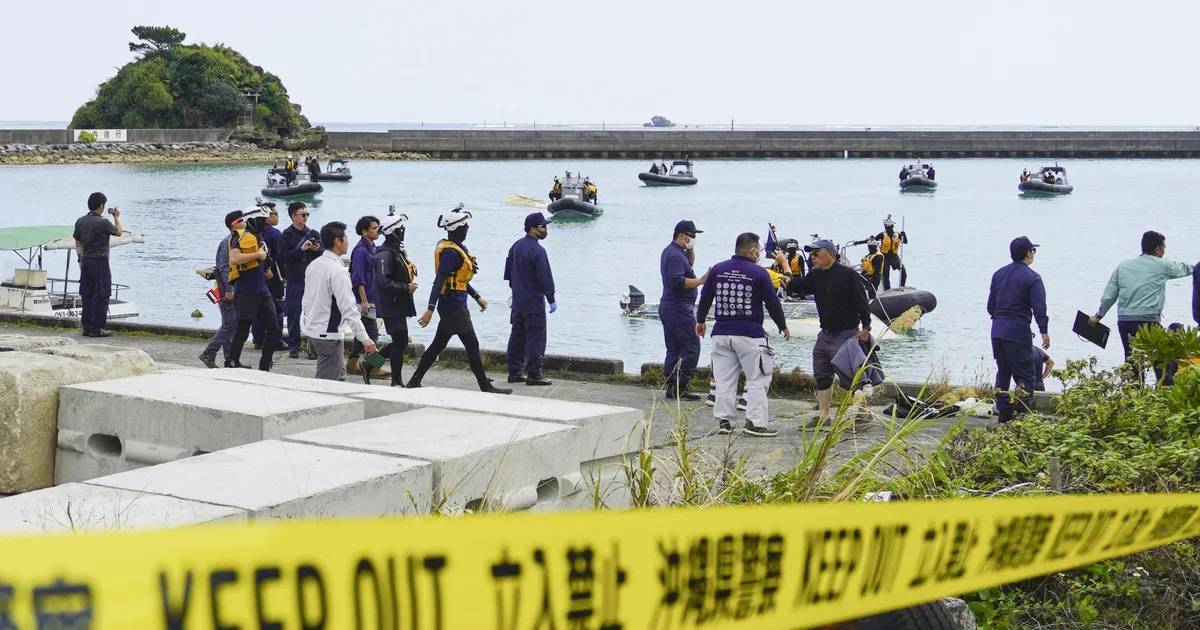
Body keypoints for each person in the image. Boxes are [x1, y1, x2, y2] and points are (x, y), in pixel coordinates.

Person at [406, 207, 511, 394]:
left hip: (454, 303)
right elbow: (439, 281)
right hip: (452, 306)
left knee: (438, 344)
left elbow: (458, 281)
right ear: (456, 229)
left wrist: (477, 297)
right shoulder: (450, 253)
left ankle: (414, 380)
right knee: (472, 345)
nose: (467, 230)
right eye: (465, 227)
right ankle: (485, 386)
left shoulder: (457, 249)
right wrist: (430, 309)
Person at [696, 232, 790, 437]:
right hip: (750, 334)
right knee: (758, 378)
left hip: (721, 333)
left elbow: (705, 297)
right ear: (753, 250)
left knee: (724, 380)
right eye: (760, 250)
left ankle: (724, 421)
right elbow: (772, 303)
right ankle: (755, 423)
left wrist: (700, 321)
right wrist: (782, 325)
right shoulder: (759, 273)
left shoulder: (718, 269)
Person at [785, 239, 873, 428]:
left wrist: (866, 327)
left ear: (831, 255)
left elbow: (862, 301)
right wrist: (787, 279)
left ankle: (864, 415)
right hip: (825, 333)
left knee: (851, 375)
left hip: (847, 333)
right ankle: (824, 417)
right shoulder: (816, 275)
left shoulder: (848, 274)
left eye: (817, 253)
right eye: (811, 254)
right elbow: (799, 286)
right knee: (822, 373)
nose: (813, 257)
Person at [1089, 230, 1195, 384]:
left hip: (1125, 322)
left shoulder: (1123, 266)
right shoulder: (1163, 265)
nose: (1164, 251)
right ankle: (1163, 395)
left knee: (1132, 362)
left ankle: (1134, 398)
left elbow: (1109, 295)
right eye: (1164, 248)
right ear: (1158, 249)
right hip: (1149, 321)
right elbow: (1188, 269)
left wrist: (1098, 316)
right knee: (1160, 361)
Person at [302, 221, 376, 381]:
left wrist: (308, 324)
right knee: (326, 384)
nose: (348, 242)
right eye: (346, 238)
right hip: (328, 335)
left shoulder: (313, 265)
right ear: (338, 241)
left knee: (340, 378)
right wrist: (365, 339)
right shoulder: (338, 271)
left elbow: (306, 300)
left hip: (313, 331)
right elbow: (348, 308)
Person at [987, 237, 1049, 422]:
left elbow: (991, 306)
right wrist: (1044, 331)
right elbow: (1039, 307)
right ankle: (1021, 414)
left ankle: (1004, 414)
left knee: (1003, 372)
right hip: (1018, 331)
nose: (1033, 255)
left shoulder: (998, 274)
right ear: (1028, 253)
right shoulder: (1033, 277)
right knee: (1026, 374)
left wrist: (1000, 318)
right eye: (1033, 251)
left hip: (997, 330)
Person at [504, 212, 557, 386]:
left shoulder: (515, 246)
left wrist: (516, 290)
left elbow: (508, 275)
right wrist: (551, 298)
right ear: (532, 229)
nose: (545, 228)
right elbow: (545, 277)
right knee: (536, 337)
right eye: (542, 226)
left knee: (517, 336)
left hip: (518, 301)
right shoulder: (538, 251)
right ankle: (534, 374)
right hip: (533, 302)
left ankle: (514, 372)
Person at [366, 214, 419, 386]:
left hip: (397, 303)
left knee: (400, 341)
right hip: (391, 304)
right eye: (401, 229)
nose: (403, 232)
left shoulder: (396, 250)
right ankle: (396, 381)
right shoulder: (385, 255)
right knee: (401, 341)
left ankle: (368, 364)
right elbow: (383, 282)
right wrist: (406, 288)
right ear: (393, 231)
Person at [660, 220, 710, 400]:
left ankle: (673, 385)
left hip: (671, 306)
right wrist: (702, 281)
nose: (694, 239)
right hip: (678, 307)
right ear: (682, 236)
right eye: (692, 236)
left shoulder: (676, 252)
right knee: (691, 346)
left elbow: (689, 263)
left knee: (674, 347)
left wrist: (689, 248)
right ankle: (681, 384)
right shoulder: (674, 255)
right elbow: (677, 280)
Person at [226, 206, 279, 371]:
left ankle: (265, 364)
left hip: (262, 290)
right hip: (246, 291)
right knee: (242, 331)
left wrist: (266, 271)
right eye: (262, 220)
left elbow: (261, 261)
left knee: (274, 329)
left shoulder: (259, 237)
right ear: (254, 220)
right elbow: (234, 258)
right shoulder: (239, 237)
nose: (265, 223)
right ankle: (232, 362)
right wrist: (258, 255)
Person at [72, 192, 123, 337]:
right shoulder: (104, 222)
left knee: (86, 293)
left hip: (86, 260)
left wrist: (81, 258)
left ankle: (86, 326)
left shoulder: (80, 221)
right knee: (101, 293)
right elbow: (118, 232)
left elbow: (77, 241)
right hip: (100, 261)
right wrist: (116, 217)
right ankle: (97, 328)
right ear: (101, 206)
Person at [277, 202, 322, 358]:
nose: (305, 217)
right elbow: (282, 257)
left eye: (307, 214)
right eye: (303, 215)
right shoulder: (285, 235)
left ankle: (312, 348)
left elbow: (324, 254)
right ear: (293, 217)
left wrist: (317, 250)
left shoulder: (313, 233)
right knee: (294, 312)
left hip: (312, 279)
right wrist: (300, 250)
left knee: (313, 313)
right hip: (294, 279)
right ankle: (294, 345)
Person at [346, 215, 386, 378]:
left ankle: (352, 362)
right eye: (374, 228)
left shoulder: (373, 247)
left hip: (372, 297)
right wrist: (363, 300)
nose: (377, 231)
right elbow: (358, 278)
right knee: (372, 332)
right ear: (364, 231)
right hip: (364, 299)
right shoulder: (361, 251)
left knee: (361, 332)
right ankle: (373, 366)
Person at [199, 213, 240, 368]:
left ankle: (231, 359)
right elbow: (224, 268)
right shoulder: (228, 243)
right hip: (226, 290)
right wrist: (229, 289)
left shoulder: (234, 242)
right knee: (230, 324)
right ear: (235, 224)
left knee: (231, 324)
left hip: (233, 289)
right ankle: (209, 353)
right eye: (243, 221)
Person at [251, 202, 287, 351]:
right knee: (277, 310)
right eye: (275, 214)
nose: (277, 217)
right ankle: (276, 340)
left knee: (257, 311)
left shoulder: (252, 234)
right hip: (273, 278)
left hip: (257, 278)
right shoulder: (275, 234)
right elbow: (279, 257)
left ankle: (258, 339)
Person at [872, 215, 908, 289]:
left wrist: (904, 235)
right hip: (885, 256)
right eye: (886, 227)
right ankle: (887, 289)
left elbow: (905, 241)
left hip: (894, 256)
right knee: (886, 274)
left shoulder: (897, 234)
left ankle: (902, 286)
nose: (888, 228)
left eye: (889, 227)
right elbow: (874, 240)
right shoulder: (882, 234)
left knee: (903, 271)